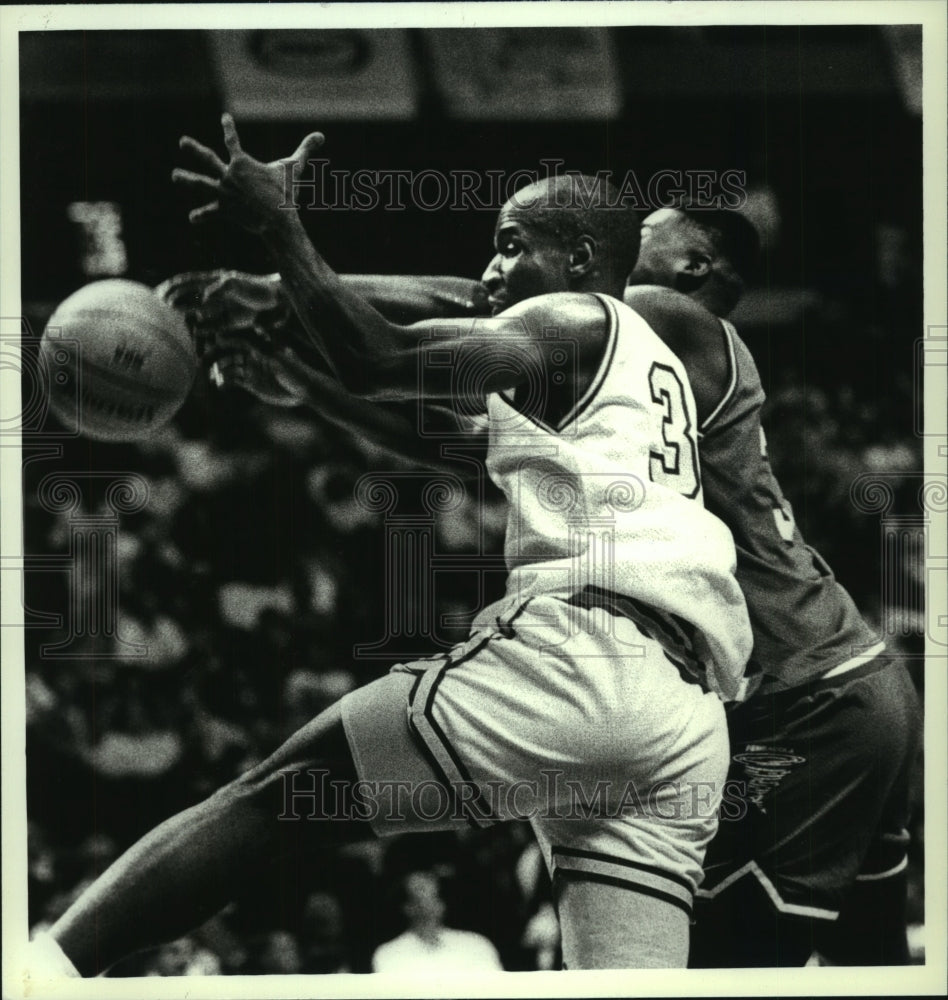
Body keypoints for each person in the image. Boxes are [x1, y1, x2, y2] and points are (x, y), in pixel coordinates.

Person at [28, 117, 752, 975]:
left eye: (512, 245)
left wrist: (281, 228)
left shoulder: (574, 319)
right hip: (687, 714)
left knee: (273, 802)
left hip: (589, 663)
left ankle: (35, 976)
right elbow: (438, 442)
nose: (490, 271)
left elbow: (380, 357)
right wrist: (296, 378)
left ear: (586, 262)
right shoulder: (633, 369)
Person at [191, 204, 920, 966]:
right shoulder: (635, 385)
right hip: (848, 684)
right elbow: (466, 447)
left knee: (717, 966)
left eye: (638, 238)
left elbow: (481, 306)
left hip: (808, 698)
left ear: (693, 267)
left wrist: (280, 289)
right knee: (874, 965)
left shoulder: (660, 316)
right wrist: (306, 382)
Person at [371, 870, 503, 973]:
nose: (432, 890)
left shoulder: (476, 945)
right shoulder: (389, 954)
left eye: (434, 886)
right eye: (421, 888)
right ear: (407, 907)